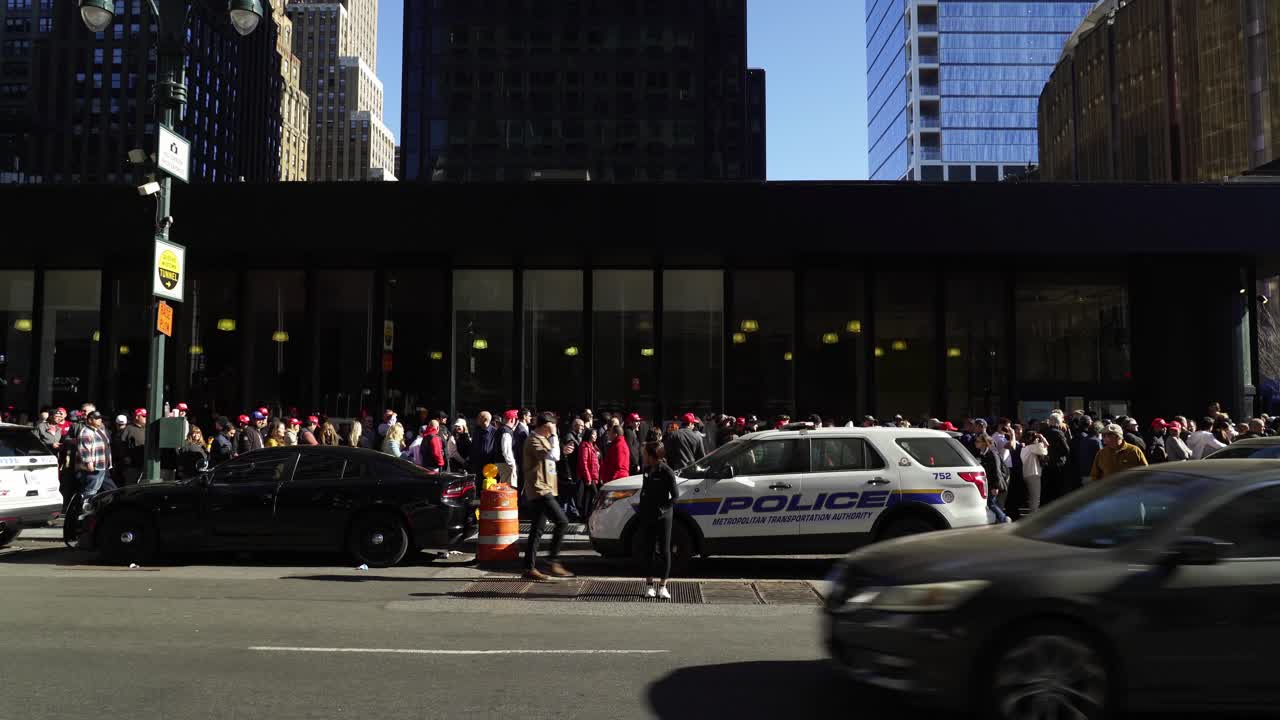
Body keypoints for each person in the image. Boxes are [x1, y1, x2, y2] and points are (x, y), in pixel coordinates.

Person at [522, 413, 573, 581]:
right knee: (562, 521)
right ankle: (552, 561)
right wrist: (555, 436)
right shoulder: (533, 440)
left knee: (537, 530)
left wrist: (560, 447)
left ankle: (528, 568)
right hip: (539, 489)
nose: (554, 428)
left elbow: (554, 457)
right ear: (546, 425)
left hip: (546, 488)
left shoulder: (543, 439)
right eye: (552, 425)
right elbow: (552, 455)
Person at [636, 440, 681, 599]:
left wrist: (663, 510)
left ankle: (663, 586)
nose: (643, 456)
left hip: (663, 517)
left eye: (645, 454)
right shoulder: (647, 469)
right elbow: (645, 491)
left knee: (664, 550)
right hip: (647, 515)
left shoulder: (667, 471)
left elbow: (675, 497)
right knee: (647, 550)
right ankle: (649, 585)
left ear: (653, 455)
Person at [76, 411, 116, 500]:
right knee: (90, 490)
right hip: (94, 466)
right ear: (90, 420)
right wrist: (88, 463)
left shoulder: (99, 430)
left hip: (102, 465)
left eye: (100, 418)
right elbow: (84, 449)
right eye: (97, 418)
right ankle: (84, 508)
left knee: (97, 489)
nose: (100, 420)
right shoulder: (86, 432)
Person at [973, 433, 1010, 523]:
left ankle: (1004, 519)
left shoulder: (992, 455)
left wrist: (995, 487)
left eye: (978, 441)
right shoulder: (981, 454)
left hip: (994, 483)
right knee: (991, 503)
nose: (975, 443)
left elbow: (996, 471)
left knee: (991, 503)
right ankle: (999, 519)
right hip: (987, 483)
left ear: (984, 443)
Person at [1019, 430, 1049, 513]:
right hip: (1033, 473)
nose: (1038, 440)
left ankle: (1033, 513)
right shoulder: (1032, 447)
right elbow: (1046, 447)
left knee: (1032, 496)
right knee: (1035, 497)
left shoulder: (1025, 448)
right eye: (1036, 438)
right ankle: (1034, 514)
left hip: (1027, 473)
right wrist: (1042, 437)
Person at [119, 408, 148, 486]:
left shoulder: (148, 429)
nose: (146, 418)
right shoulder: (129, 428)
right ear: (137, 417)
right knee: (131, 485)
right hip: (132, 464)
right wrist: (125, 456)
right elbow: (122, 444)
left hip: (145, 463)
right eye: (144, 416)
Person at [577, 427, 601, 516]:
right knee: (595, 495)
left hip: (594, 475)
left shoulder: (593, 446)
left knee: (588, 496)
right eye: (594, 434)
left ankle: (586, 515)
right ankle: (587, 514)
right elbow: (584, 462)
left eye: (596, 434)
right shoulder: (585, 445)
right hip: (588, 476)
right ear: (589, 435)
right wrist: (588, 478)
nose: (596, 436)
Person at [497, 409, 519, 487]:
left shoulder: (503, 430)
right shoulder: (506, 431)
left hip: (502, 462)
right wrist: (512, 464)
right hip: (505, 464)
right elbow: (506, 450)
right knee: (508, 488)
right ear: (513, 419)